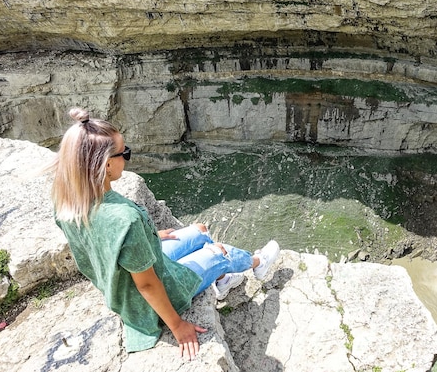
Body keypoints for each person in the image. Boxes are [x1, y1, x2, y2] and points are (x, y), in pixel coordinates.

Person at [49, 107, 280, 360]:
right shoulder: (125, 220)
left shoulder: (68, 204)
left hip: (120, 287)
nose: (127, 157)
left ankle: (221, 277)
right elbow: (147, 284)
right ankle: (256, 263)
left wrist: (150, 236)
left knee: (199, 232)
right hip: (149, 298)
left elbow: (104, 241)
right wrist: (178, 326)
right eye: (124, 152)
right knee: (219, 251)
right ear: (105, 164)